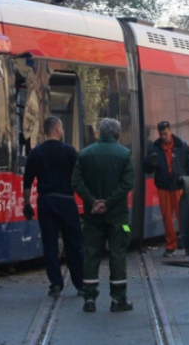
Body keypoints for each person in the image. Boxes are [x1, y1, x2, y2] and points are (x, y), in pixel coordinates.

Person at [72, 118, 134, 313]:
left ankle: (89, 298)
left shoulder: (85, 154)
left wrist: (93, 201)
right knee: (118, 254)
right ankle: (118, 299)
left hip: (92, 217)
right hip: (118, 218)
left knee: (91, 255)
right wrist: (108, 202)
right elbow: (127, 184)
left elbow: (76, 182)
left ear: (100, 133)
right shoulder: (125, 155)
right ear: (117, 134)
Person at [23, 116, 85, 298]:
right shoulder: (70, 151)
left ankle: (56, 285)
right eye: (62, 128)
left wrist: (27, 203)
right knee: (73, 243)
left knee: (50, 244)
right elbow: (81, 175)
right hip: (66, 201)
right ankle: (80, 284)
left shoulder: (36, 153)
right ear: (57, 129)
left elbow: (27, 182)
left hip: (46, 202)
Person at [143, 120, 189, 257]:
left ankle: (188, 245)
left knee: (183, 217)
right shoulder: (155, 148)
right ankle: (171, 245)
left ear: (170, 132)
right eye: (161, 134)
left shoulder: (181, 145)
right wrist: (150, 162)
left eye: (165, 134)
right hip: (164, 187)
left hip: (179, 186)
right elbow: (147, 168)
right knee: (167, 217)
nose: (163, 137)